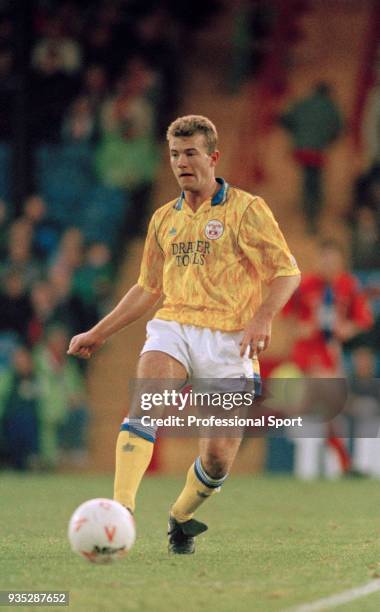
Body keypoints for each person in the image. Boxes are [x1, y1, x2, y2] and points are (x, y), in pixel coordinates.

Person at [68, 115, 301, 554]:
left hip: (231, 340)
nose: (181, 163)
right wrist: (100, 332)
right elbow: (147, 288)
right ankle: (120, 513)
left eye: (190, 153)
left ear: (213, 157)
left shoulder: (247, 210)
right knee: (146, 405)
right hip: (174, 328)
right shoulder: (162, 220)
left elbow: (287, 272)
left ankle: (180, 517)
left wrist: (263, 317)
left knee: (216, 458)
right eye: (174, 154)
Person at [279, 83, 343, 233]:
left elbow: (284, 119)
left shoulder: (302, 103)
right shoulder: (330, 105)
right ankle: (313, 215)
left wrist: (296, 135)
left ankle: (308, 208)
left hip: (301, 150)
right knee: (315, 181)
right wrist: (328, 140)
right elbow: (340, 126)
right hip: (318, 151)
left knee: (308, 178)